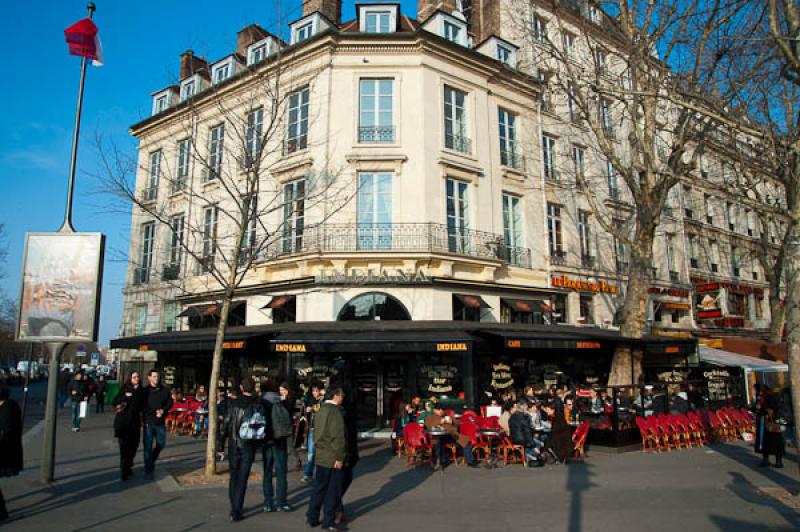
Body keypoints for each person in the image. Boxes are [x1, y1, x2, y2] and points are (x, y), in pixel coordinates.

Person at [223, 377, 268, 522]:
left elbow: (227, 424)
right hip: (250, 443)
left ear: (242, 388)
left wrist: (220, 444)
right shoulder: (259, 403)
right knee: (243, 477)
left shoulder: (234, 403)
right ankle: (237, 508)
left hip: (234, 443)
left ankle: (234, 507)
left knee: (234, 475)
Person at [306, 386, 347, 531]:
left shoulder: (321, 409)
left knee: (319, 487)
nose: (343, 398)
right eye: (342, 395)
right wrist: (339, 457)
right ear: (336, 395)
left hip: (321, 454)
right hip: (331, 456)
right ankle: (328, 521)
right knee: (332, 490)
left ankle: (312, 516)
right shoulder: (335, 412)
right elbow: (338, 437)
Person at [262, 381, 293, 513]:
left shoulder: (261, 401)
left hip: (266, 440)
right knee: (281, 473)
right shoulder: (282, 402)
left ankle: (268, 502)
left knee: (268, 472)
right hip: (280, 440)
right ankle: (282, 502)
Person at [112, 372, 144, 481]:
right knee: (124, 448)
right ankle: (124, 470)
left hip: (135, 423)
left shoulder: (141, 391)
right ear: (130, 378)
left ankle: (129, 464)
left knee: (134, 446)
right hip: (123, 423)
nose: (136, 379)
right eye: (134, 377)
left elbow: (143, 406)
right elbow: (114, 401)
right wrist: (124, 397)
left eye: (138, 377)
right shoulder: (125, 389)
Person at [424, 404, 477, 469]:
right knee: (438, 443)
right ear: (434, 410)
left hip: (452, 435)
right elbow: (429, 425)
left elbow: (457, 424)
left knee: (466, 440)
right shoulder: (430, 417)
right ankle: (439, 461)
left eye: (441, 410)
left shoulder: (447, 416)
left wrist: (452, 422)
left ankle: (470, 461)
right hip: (438, 436)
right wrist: (440, 421)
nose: (440, 411)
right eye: (438, 410)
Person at [142, 369, 173, 479]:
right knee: (148, 446)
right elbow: (143, 406)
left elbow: (170, 402)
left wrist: (163, 410)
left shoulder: (164, 390)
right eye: (154, 376)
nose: (156, 378)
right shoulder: (145, 391)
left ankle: (152, 459)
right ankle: (148, 469)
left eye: (158, 376)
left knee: (161, 443)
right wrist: (154, 412)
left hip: (160, 422)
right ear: (149, 378)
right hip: (149, 422)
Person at [336, 389, 360, 525]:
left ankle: (335, 505)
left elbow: (351, 433)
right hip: (338, 452)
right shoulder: (335, 411)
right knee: (338, 481)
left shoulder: (348, 412)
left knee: (346, 479)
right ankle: (336, 509)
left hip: (349, 450)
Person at [0, 385, 23, 521]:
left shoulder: (8, 408)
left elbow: (5, 431)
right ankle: (2, 513)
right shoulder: (7, 406)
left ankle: (2, 513)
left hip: (5, 451)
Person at [507, 401, 544, 467]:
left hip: (513, 438)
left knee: (535, 441)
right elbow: (528, 433)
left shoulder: (512, 417)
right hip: (522, 439)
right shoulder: (525, 417)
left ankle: (529, 454)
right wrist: (534, 446)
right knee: (539, 443)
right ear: (524, 409)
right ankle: (530, 454)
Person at [301, 383, 324, 484]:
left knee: (320, 453)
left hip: (321, 429)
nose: (315, 393)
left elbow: (321, 407)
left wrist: (324, 394)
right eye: (313, 391)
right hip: (312, 428)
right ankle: (308, 474)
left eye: (316, 391)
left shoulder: (323, 400)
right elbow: (306, 403)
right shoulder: (310, 399)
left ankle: (320, 474)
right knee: (311, 453)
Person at [757, 389, 785, 468]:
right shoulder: (778, 401)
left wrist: (763, 411)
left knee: (765, 444)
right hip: (776, 427)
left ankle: (766, 460)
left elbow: (761, 411)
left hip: (767, 427)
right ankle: (778, 462)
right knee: (778, 444)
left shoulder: (767, 400)